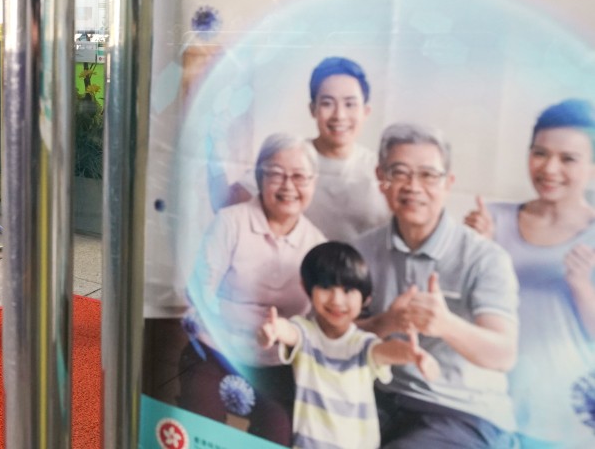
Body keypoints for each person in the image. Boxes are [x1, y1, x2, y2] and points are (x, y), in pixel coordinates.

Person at [353, 123, 519, 448]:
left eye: (428, 175)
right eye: (400, 173)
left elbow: (503, 354)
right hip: (381, 396)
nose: (413, 187)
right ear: (381, 178)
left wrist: (446, 325)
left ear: (448, 184)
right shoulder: (361, 251)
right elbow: (334, 335)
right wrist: (384, 322)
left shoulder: (485, 258)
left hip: (460, 410)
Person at [464, 99, 595, 448]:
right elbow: (457, 316)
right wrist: (477, 251)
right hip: (486, 409)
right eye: (540, 153)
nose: (550, 168)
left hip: (567, 421)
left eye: (568, 158)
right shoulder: (491, 220)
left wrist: (582, 287)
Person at [182, 133, 326, 445]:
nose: (288, 186)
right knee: (198, 431)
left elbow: (318, 324)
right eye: (276, 174)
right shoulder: (230, 222)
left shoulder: (317, 246)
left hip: (276, 364)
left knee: (280, 434)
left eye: (299, 176)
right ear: (260, 176)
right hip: (216, 350)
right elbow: (198, 291)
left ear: (313, 182)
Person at [258, 242, 439, 449]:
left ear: (366, 298)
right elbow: (289, 332)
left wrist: (411, 354)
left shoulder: (361, 344)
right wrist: (273, 331)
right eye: (326, 287)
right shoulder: (306, 333)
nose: (337, 300)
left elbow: (383, 352)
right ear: (306, 287)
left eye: (349, 290)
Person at [303, 57, 390, 242]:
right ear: (313, 109)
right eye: (327, 103)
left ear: (366, 111)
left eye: (350, 104)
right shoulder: (290, 158)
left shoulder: (381, 170)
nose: (339, 116)